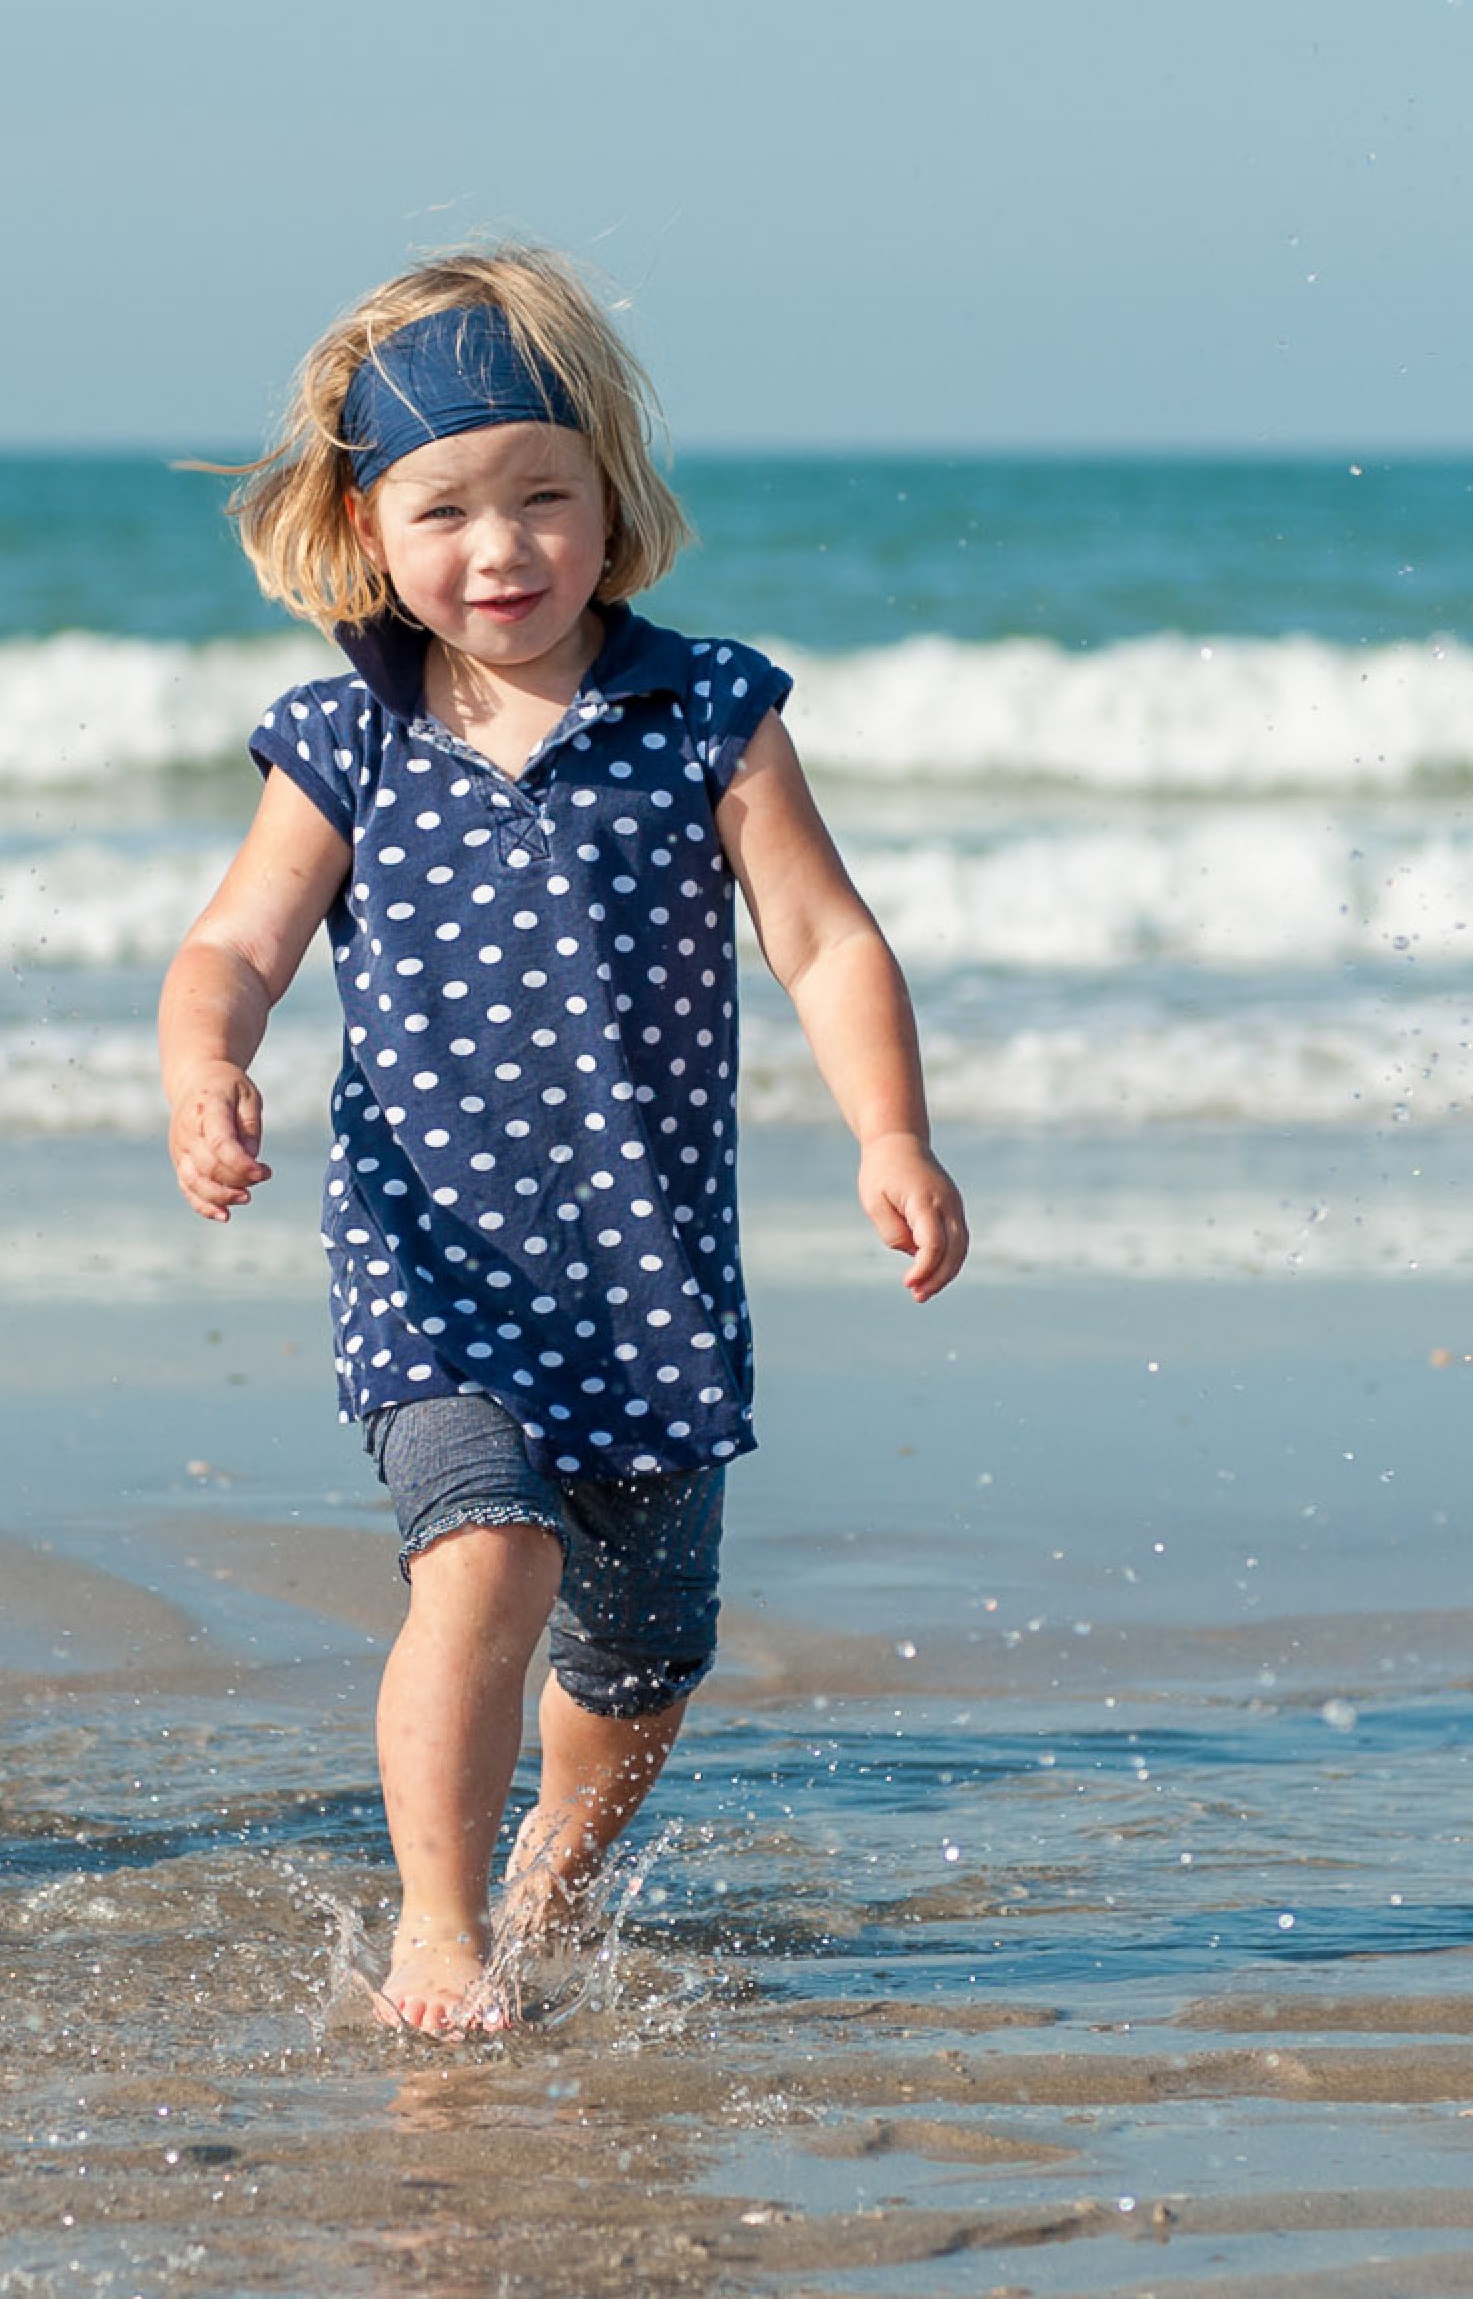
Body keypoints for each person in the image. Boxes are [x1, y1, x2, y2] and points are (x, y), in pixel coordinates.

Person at [156, 246, 966, 2036]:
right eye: (445, 508)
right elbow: (234, 941)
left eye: (545, 500)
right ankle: (437, 1927)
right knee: (486, 1550)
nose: (501, 548)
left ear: (614, 503)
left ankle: (552, 1883)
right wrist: (205, 1066)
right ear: (368, 530)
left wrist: (891, 1133)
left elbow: (825, 939)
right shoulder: (351, 737)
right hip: (434, 1261)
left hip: (645, 1277)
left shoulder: (706, 717)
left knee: (644, 1658)